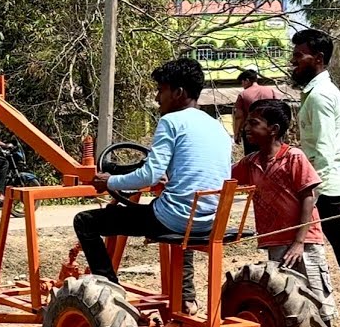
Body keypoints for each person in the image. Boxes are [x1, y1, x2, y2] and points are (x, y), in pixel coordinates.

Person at [74, 58, 230, 311]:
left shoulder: (171, 121)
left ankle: (111, 294)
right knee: (180, 219)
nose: (157, 98)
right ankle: (185, 297)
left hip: (177, 218)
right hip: (210, 219)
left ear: (178, 93)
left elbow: (148, 175)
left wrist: (110, 181)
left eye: (161, 90)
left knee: (86, 221)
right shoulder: (217, 127)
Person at [233, 99, 340, 327]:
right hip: (274, 244)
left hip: (304, 242)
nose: (247, 128)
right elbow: (224, 178)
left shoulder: (293, 157)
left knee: (320, 306)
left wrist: (299, 241)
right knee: (288, 309)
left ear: (273, 130)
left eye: (254, 123)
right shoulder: (251, 163)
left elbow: (309, 196)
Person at [290, 28, 340, 327]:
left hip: (329, 191)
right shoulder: (315, 91)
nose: (293, 62)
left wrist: (309, 195)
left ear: (318, 59)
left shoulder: (321, 96)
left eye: (299, 57)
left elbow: (321, 154)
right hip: (332, 187)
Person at [232, 69, 278, 155]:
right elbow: (277, 110)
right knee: (271, 155)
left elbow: (239, 116)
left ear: (247, 80)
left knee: (252, 158)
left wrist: (236, 133)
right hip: (270, 130)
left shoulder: (243, 94)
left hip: (252, 131)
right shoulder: (270, 91)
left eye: (242, 82)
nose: (242, 85)